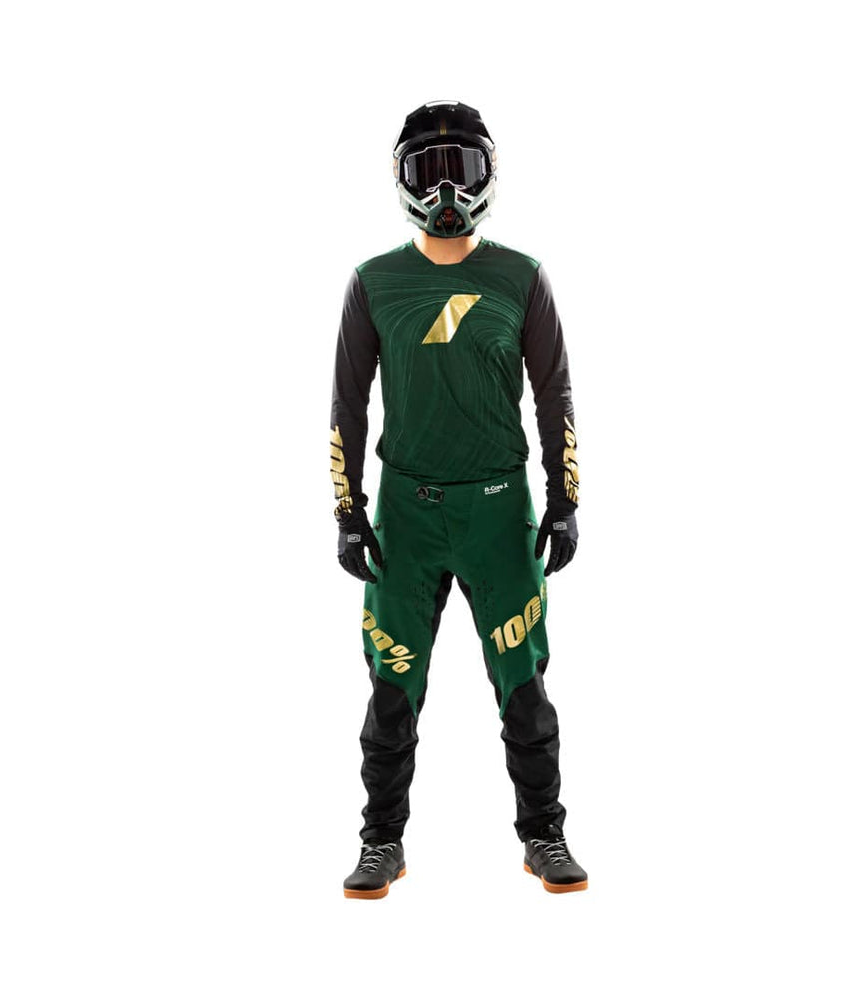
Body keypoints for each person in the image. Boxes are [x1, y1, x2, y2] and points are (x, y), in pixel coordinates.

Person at [329, 100, 587, 898]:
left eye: (462, 170)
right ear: (401, 181)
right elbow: (346, 402)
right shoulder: (374, 282)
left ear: (489, 175)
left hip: (499, 513)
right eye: (428, 173)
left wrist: (565, 498)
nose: (445, 191)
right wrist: (347, 510)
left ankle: (544, 834)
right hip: (405, 516)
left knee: (524, 687)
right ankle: (381, 842)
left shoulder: (522, 278)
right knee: (392, 688)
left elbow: (554, 391)